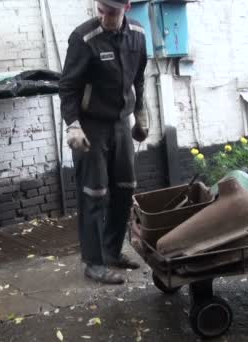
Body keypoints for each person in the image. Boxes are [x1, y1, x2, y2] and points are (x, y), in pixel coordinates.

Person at [59, 0, 149, 284]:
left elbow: (139, 77)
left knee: (125, 188)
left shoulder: (138, 34)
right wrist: (73, 125)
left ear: (127, 7)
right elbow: (68, 86)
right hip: (91, 126)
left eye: (111, 12)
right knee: (94, 193)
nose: (105, 17)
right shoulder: (84, 38)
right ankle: (94, 263)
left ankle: (112, 251)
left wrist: (141, 112)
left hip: (121, 123)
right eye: (100, 10)